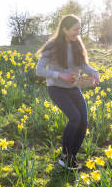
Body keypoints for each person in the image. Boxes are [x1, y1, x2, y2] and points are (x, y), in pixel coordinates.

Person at [35, 14, 100, 170]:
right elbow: (39, 70)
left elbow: (83, 65)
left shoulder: (77, 44)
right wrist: (59, 75)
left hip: (73, 88)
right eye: (75, 29)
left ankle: (72, 156)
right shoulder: (52, 45)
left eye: (79, 29)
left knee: (83, 121)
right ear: (64, 29)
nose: (78, 33)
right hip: (56, 88)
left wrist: (93, 71)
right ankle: (64, 156)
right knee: (75, 118)